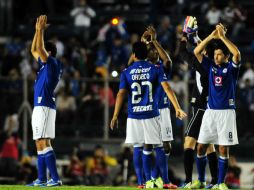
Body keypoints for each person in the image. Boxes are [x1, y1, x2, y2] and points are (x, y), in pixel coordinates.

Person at [110, 42, 186, 189]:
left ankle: (143, 182)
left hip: (134, 115)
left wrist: (115, 115)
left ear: (133, 55)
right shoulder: (156, 69)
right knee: (157, 146)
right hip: (152, 113)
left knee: (140, 147)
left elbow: (120, 94)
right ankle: (157, 180)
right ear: (147, 54)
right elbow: (168, 87)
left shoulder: (127, 71)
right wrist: (177, 107)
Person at [191, 23, 241, 190]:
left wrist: (223, 38)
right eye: (215, 55)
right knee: (200, 146)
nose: (216, 57)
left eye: (219, 55)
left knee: (223, 148)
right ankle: (200, 180)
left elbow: (237, 53)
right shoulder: (210, 66)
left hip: (226, 113)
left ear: (226, 56)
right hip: (210, 112)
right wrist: (212, 37)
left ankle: (220, 183)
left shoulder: (232, 69)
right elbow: (196, 52)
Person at [179, 16, 218, 189]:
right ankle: (214, 181)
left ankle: (188, 181)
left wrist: (185, 34)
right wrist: (192, 35)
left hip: (201, 107)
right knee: (209, 147)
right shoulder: (208, 63)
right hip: (209, 107)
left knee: (189, 142)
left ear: (205, 53)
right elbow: (195, 49)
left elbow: (187, 52)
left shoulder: (203, 64)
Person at [27, 15, 62, 186]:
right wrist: (36, 31)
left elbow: (39, 49)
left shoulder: (53, 63)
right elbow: (34, 49)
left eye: (43, 54)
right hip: (40, 106)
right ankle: (41, 179)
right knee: (38, 142)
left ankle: (55, 178)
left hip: (45, 106)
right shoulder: (44, 66)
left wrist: (41, 31)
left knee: (44, 141)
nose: (38, 56)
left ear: (48, 54)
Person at [140, 25, 175, 188]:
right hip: (149, 110)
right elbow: (131, 63)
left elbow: (168, 60)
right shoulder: (144, 68)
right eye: (151, 50)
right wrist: (141, 45)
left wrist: (154, 41)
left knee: (166, 146)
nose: (153, 52)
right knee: (148, 144)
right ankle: (152, 180)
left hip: (163, 109)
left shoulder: (162, 67)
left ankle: (156, 177)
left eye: (155, 50)